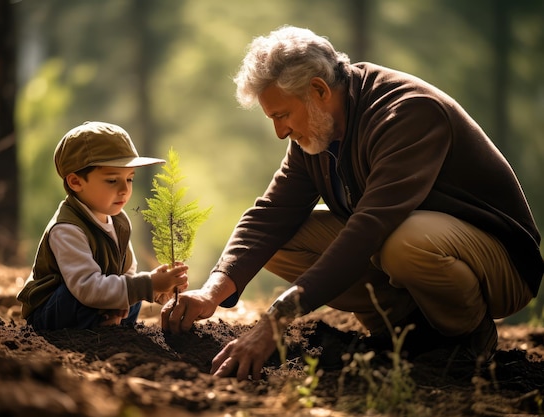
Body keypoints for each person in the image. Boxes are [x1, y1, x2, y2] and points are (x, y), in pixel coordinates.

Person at [161, 26, 544, 380]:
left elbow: (369, 228)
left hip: (499, 266)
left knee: (405, 241)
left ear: (319, 90)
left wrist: (276, 320)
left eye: (282, 115)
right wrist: (212, 290)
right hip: (406, 245)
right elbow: (270, 215)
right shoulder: (317, 131)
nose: (280, 132)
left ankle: (467, 345)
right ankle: (405, 336)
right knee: (280, 241)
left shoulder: (407, 112)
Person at [18, 121, 189, 330]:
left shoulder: (119, 220)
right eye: (112, 181)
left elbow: (127, 273)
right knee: (74, 296)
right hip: (53, 310)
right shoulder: (67, 229)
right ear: (76, 182)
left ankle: (107, 323)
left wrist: (157, 289)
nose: (124, 190)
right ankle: (98, 324)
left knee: (132, 295)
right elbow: (86, 287)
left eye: (130, 179)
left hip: (95, 296)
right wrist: (148, 283)